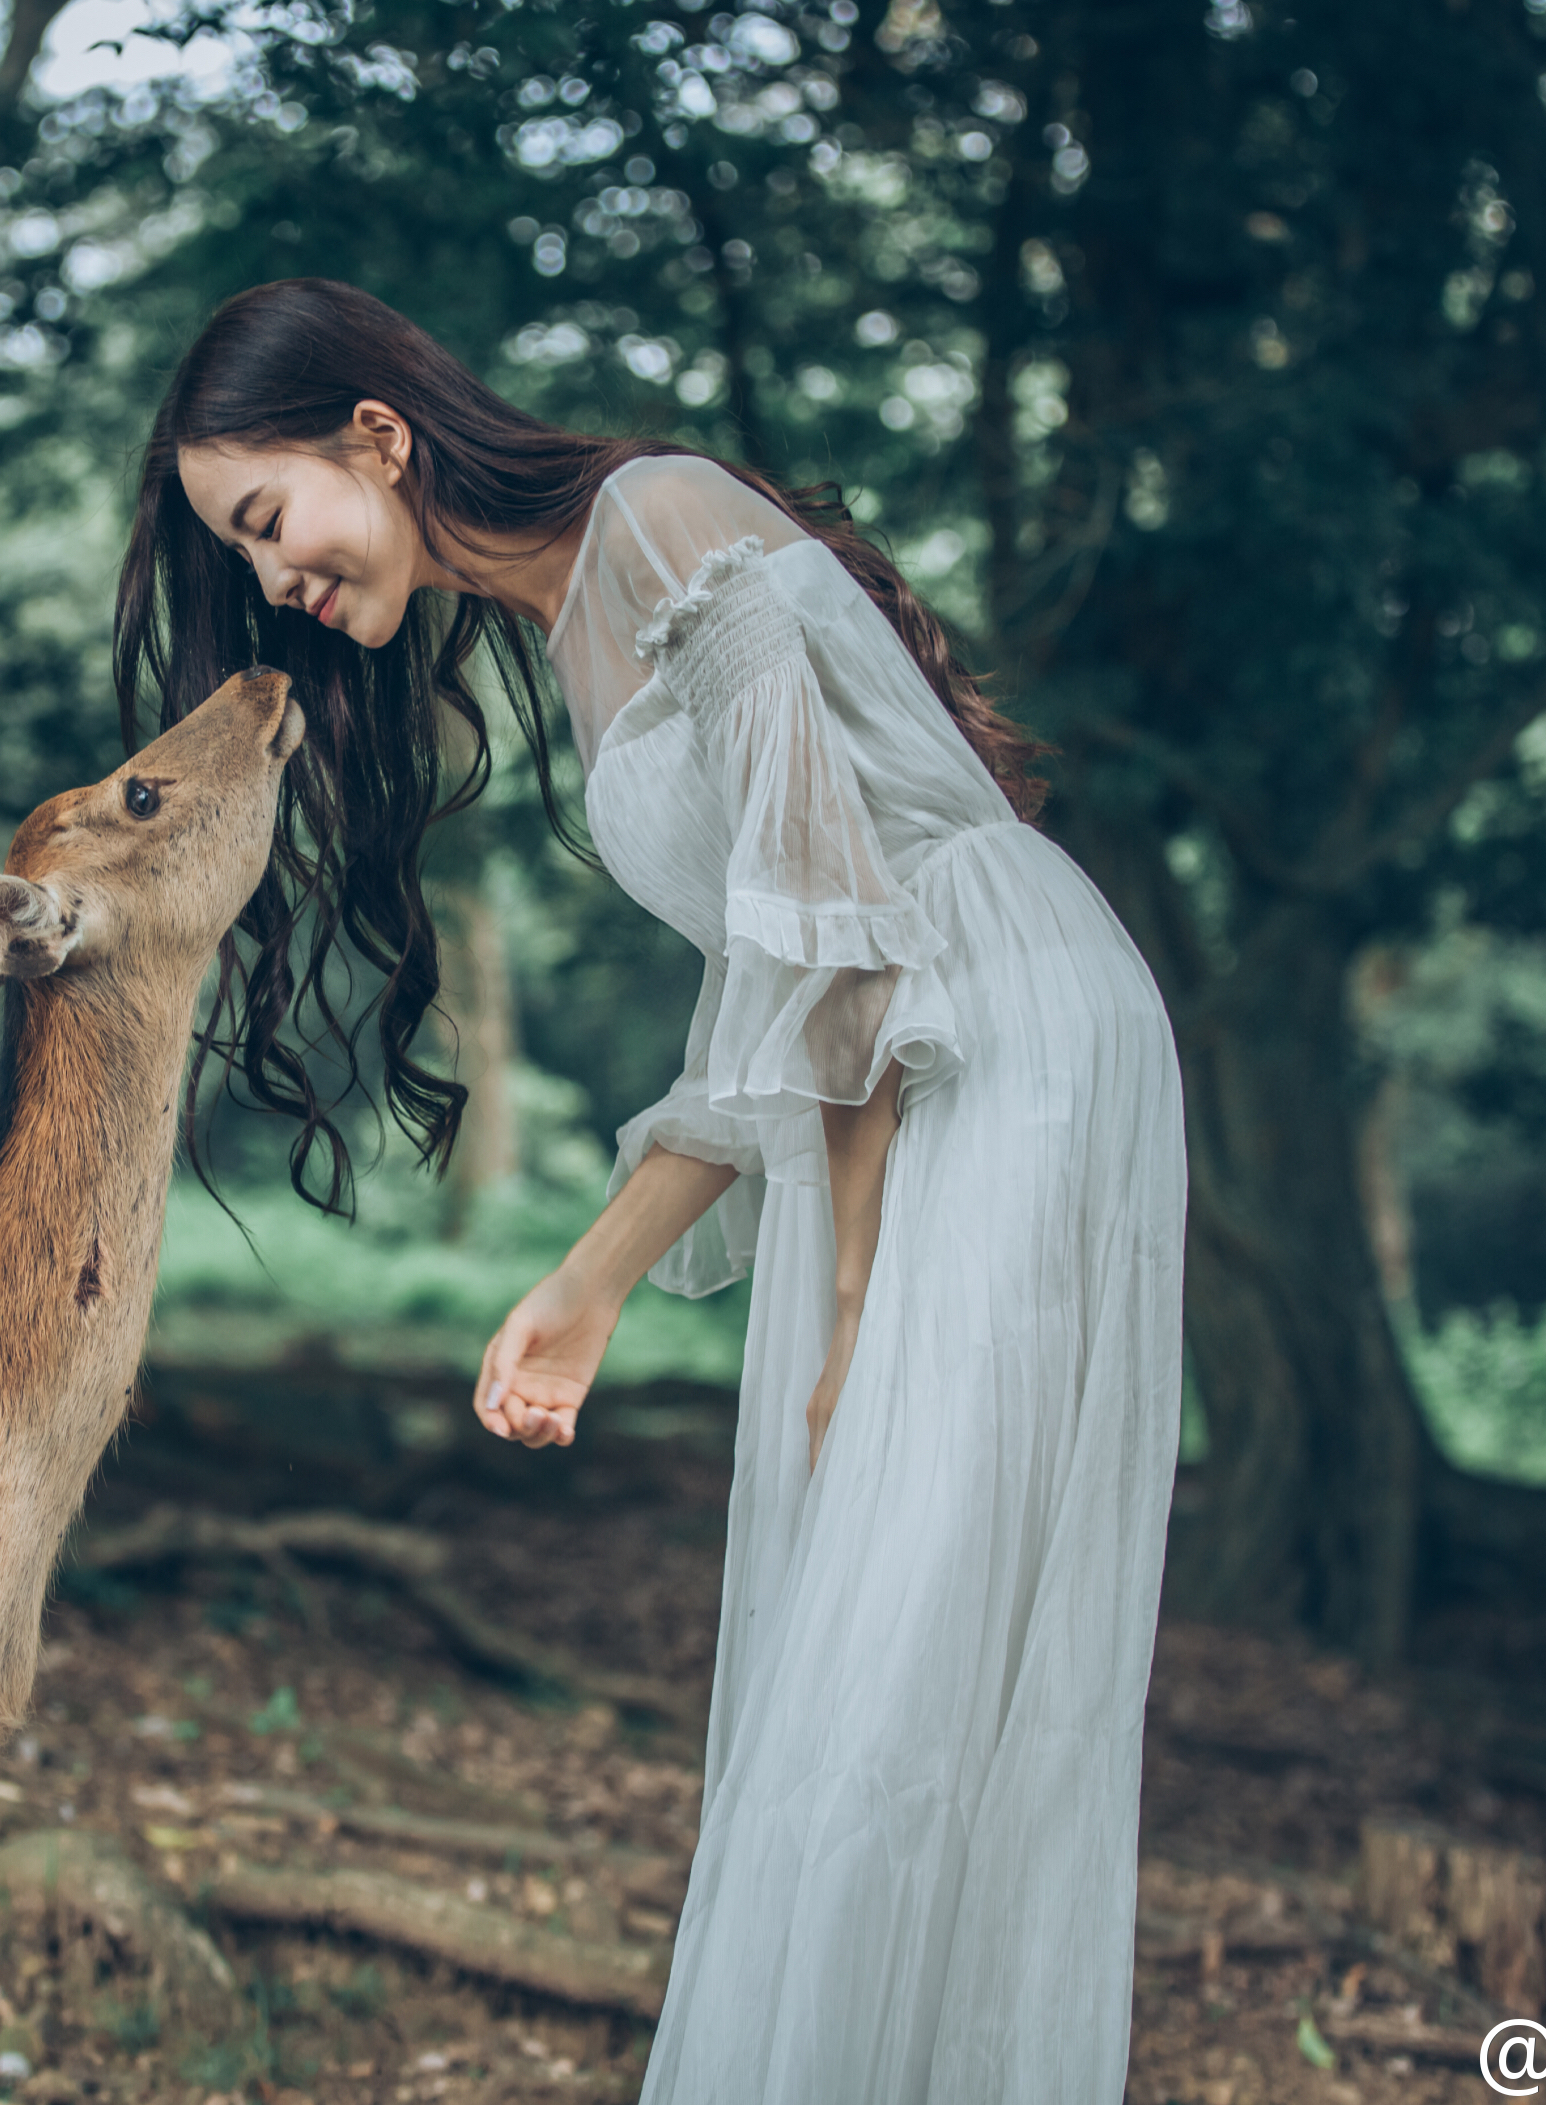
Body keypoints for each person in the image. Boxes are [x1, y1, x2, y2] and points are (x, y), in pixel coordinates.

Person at [113, 277, 1185, 2103]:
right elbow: (772, 986)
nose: (275, 576)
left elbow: (845, 941)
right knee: (859, 1652)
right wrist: (589, 1284)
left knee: (901, 1654)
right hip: (906, 1059)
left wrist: (853, 1308)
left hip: (1002, 1040)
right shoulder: (570, 626)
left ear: (375, 435)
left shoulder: (658, 520)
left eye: (269, 521)